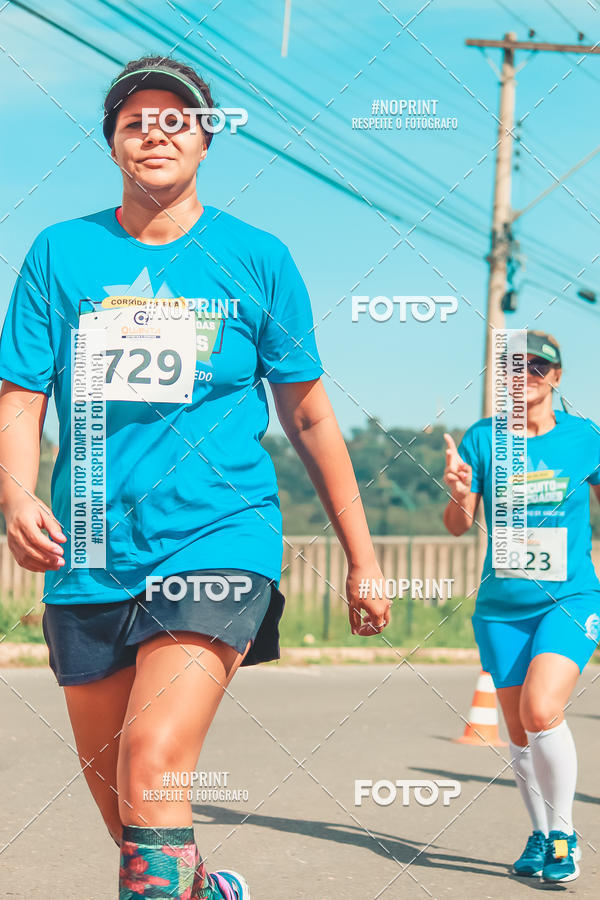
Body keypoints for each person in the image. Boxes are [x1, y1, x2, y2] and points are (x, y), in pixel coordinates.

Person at [0, 55, 389, 900]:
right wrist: (16, 492)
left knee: (153, 759)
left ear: (207, 140)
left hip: (220, 534)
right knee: (128, 805)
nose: (156, 132)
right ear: (112, 147)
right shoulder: (59, 253)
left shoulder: (257, 258)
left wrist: (361, 556)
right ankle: (205, 891)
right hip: (91, 548)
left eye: (177, 118)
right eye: (135, 120)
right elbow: (21, 397)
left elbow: (312, 416)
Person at [442, 330, 600, 884]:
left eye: (538, 366)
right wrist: (461, 491)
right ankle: (539, 832)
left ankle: (564, 836)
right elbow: (458, 526)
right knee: (517, 729)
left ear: (556, 377)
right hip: (502, 607)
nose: (524, 374)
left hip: (572, 598)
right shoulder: (484, 438)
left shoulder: (586, 438)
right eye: (514, 365)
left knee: (541, 709)